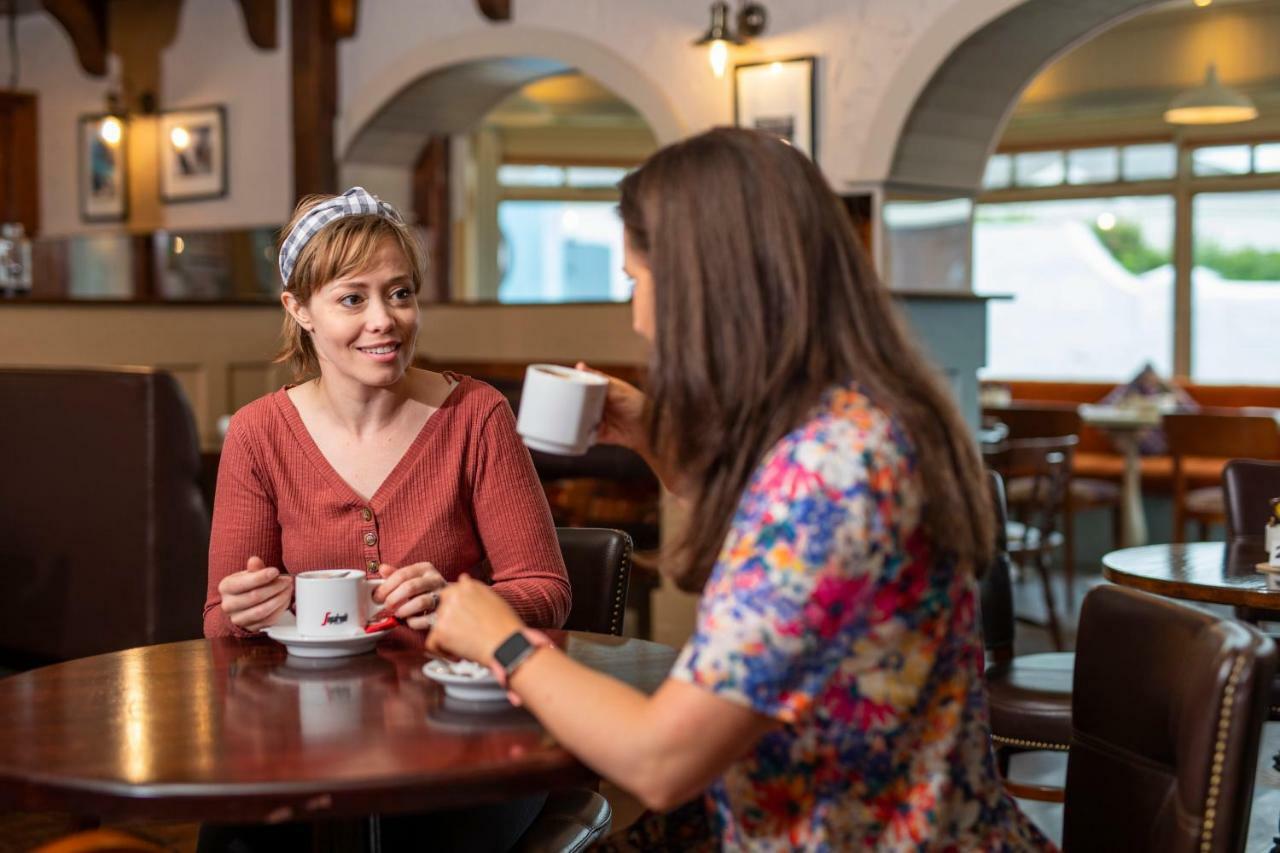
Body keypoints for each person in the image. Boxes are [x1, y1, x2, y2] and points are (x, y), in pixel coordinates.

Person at [427, 129, 1053, 851]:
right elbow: (784, 554)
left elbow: (659, 760)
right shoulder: (866, 419)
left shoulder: (829, 475)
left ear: (707, 287)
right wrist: (650, 435)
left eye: (638, 280)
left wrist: (499, 640)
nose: (636, 315)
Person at [201, 187, 570, 852]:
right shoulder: (258, 433)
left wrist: (462, 603)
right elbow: (218, 624)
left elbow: (547, 590)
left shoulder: (477, 415)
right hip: (303, 741)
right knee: (234, 842)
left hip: (471, 736)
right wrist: (243, 609)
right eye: (353, 298)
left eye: (400, 293)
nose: (386, 319)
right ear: (299, 309)